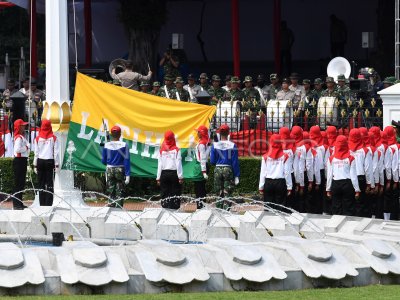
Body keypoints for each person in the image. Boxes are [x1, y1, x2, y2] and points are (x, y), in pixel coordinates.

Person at [326, 135, 360, 216]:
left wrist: (328, 189)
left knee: (336, 208)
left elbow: (329, 175)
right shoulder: (351, 158)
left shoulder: (331, 159)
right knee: (348, 208)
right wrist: (357, 190)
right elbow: (353, 176)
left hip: (335, 184)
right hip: (347, 184)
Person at [210, 124, 240, 209]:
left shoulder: (215, 145)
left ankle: (219, 211)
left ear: (219, 133)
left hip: (218, 169)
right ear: (228, 133)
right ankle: (226, 211)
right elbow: (235, 162)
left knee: (218, 193)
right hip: (228, 169)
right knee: (228, 193)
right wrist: (237, 175)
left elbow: (212, 161)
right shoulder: (232, 145)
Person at [101, 125, 131, 208]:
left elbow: (103, 161)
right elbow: (127, 161)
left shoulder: (106, 145)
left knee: (110, 190)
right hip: (120, 169)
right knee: (120, 190)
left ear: (111, 134)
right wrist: (128, 175)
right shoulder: (124, 145)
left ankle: (110, 206)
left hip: (109, 169)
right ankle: (119, 208)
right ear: (120, 134)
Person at [259, 134, 292, 206]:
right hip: (280, 183)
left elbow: (263, 173)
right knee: (280, 207)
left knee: (269, 207)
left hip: (268, 183)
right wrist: (289, 187)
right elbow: (287, 172)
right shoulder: (285, 156)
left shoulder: (265, 156)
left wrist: (261, 187)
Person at [348, 128, 374, 217]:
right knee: (361, 203)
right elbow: (368, 169)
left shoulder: (346, 149)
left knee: (350, 202)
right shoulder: (365, 151)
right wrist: (369, 184)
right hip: (361, 178)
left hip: (349, 178)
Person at [33, 119, 59, 206]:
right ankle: (49, 204)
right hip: (49, 162)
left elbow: (36, 153)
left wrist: (35, 165)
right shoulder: (54, 138)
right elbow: (56, 153)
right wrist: (57, 164)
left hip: (40, 161)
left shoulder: (37, 138)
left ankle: (42, 204)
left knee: (41, 184)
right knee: (50, 184)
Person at [156, 130, 183, 209]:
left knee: (164, 193)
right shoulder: (177, 150)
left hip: (164, 174)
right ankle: (174, 209)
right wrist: (180, 176)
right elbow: (178, 163)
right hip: (174, 174)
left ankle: (165, 209)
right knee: (175, 193)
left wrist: (158, 178)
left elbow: (159, 164)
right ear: (173, 138)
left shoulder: (161, 151)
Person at [309, 126, 328, 214]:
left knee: (310, 193)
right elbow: (326, 162)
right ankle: (319, 210)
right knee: (320, 194)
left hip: (310, 171)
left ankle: (311, 210)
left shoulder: (308, 145)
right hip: (320, 171)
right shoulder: (324, 147)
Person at [12, 119, 30, 210]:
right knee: (18, 183)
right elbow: (17, 150)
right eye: (22, 125)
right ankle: (16, 204)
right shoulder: (18, 137)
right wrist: (26, 147)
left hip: (21, 160)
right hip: (19, 161)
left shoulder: (21, 136)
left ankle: (19, 202)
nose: (24, 127)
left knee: (21, 183)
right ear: (19, 127)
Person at [383, 126, 399, 220]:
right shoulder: (396, 147)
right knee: (394, 197)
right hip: (393, 176)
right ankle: (394, 217)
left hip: (384, 175)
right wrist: (395, 180)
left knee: (386, 197)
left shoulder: (382, 146)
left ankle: (386, 217)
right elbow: (395, 166)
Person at [194, 125, 210, 208]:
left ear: (202, 133)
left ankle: (200, 206)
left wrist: (203, 171)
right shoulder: (206, 141)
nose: (197, 133)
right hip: (204, 166)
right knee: (201, 188)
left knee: (199, 188)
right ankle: (202, 205)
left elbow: (203, 158)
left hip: (201, 167)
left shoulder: (202, 144)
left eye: (198, 132)